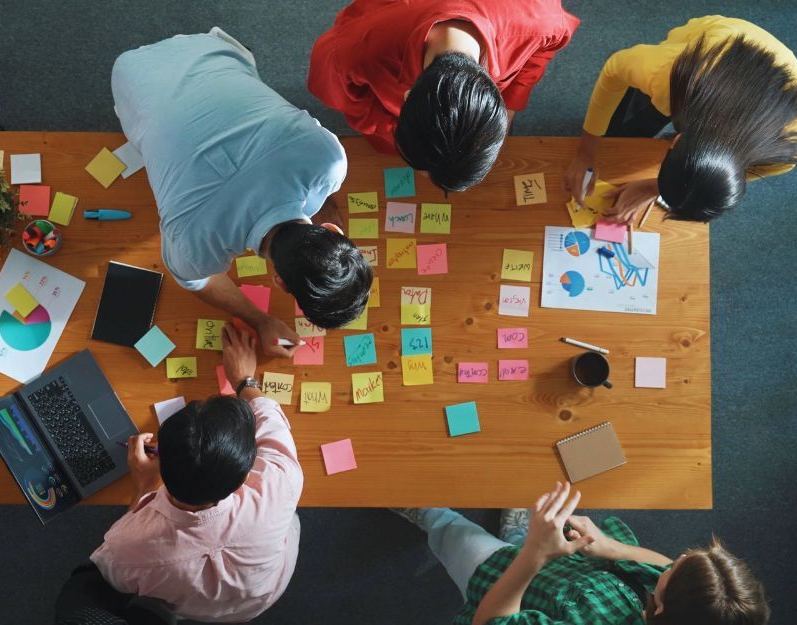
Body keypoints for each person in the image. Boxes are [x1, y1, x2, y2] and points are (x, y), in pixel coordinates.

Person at [112, 29, 373, 357]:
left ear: (333, 230)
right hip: (130, 79)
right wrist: (261, 321)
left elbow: (323, 198)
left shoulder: (328, 159)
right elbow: (196, 282)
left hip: (209, 52)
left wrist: (324, 254)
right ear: (277, 281)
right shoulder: (192, 247)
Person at [90, 325, 303, 623]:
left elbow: (113, 576)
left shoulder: (126, 545)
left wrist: (143, 488)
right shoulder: (279, 483)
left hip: (204, 612)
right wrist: (244, 380)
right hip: (268, 588)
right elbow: (268, 414)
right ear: (244, 477)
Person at [392, 481, 770, 624]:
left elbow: (491, 621)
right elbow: (661, 566)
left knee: (455, 534)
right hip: (564, 568)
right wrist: (611, 546)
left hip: (503, 580)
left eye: (680, 568)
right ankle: (521, 534)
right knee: (533, 509)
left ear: (662, 606)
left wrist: (534, 556)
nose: (678, 558)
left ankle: (425, 512)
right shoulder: (694, 609)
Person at [308, 0, 579, 193]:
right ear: (407, 94)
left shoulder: (542, 23)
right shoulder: (358, 50)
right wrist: (386, 130)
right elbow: (341, 97)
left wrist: (510, 108)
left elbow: (539, 55)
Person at [563, 16, 797, 224]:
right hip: (711, 44)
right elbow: (614, 69)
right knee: (637, 115)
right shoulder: (666, 74)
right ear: (676, 140)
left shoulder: (782, 154)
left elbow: (739, 174)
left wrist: (653, 187)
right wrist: (586, 151)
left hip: (767, 73)